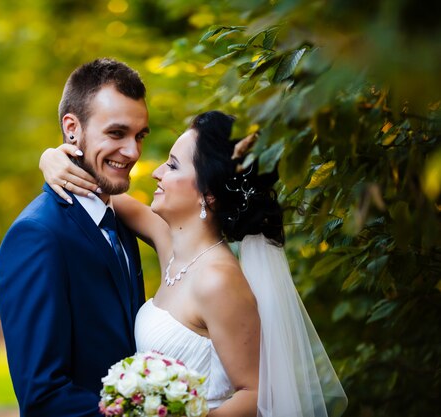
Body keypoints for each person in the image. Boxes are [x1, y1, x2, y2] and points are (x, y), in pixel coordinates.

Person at [40, 110, 348, 416]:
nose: (156, 172)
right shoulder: (170, 244)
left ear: (209, 194)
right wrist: (53, 159)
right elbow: (103, 191)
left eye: (173, 165)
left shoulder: (218, 280)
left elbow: (255, 392)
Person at [0, 58, 151, 417]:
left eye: (140, 136)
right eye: (116, 133)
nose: (133, 152)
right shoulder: (36, 236)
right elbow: (43, 395)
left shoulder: (123, 223)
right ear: (72, 128)